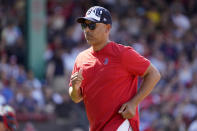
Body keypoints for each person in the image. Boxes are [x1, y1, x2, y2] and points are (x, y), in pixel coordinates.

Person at [69, 6, 161, 131]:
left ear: (107, 28)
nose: (87, 30)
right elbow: (76, 97)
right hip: (97, 127)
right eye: (84, 25)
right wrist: (74, 88)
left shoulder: (122, 54)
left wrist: (134, 103)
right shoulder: (81, 58)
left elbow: (154, 74)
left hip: (120, 122)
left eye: (92, 26)